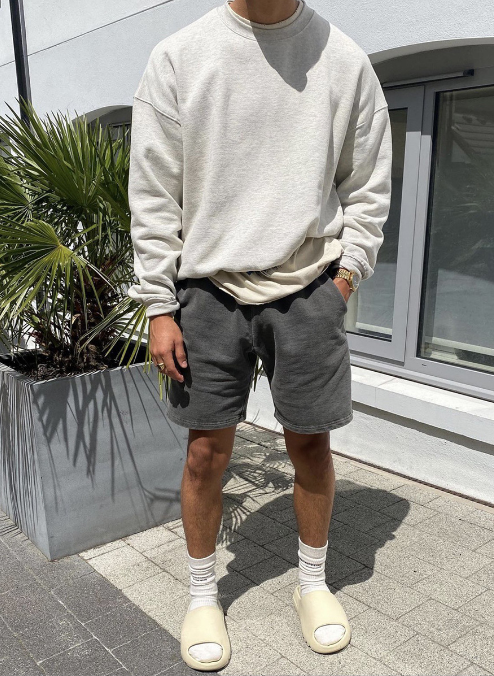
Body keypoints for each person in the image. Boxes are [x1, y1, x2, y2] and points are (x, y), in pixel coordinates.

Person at [127, 0, 392, 670]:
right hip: (206, 290)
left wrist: (345, 280)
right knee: (204, 454)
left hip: (309, 289)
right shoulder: (180, 57)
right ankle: (201, 596)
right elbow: (153, 189)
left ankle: (312, 585)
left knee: (311, 445)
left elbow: (368, 182)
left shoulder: (343, 59)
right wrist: (159, 304)